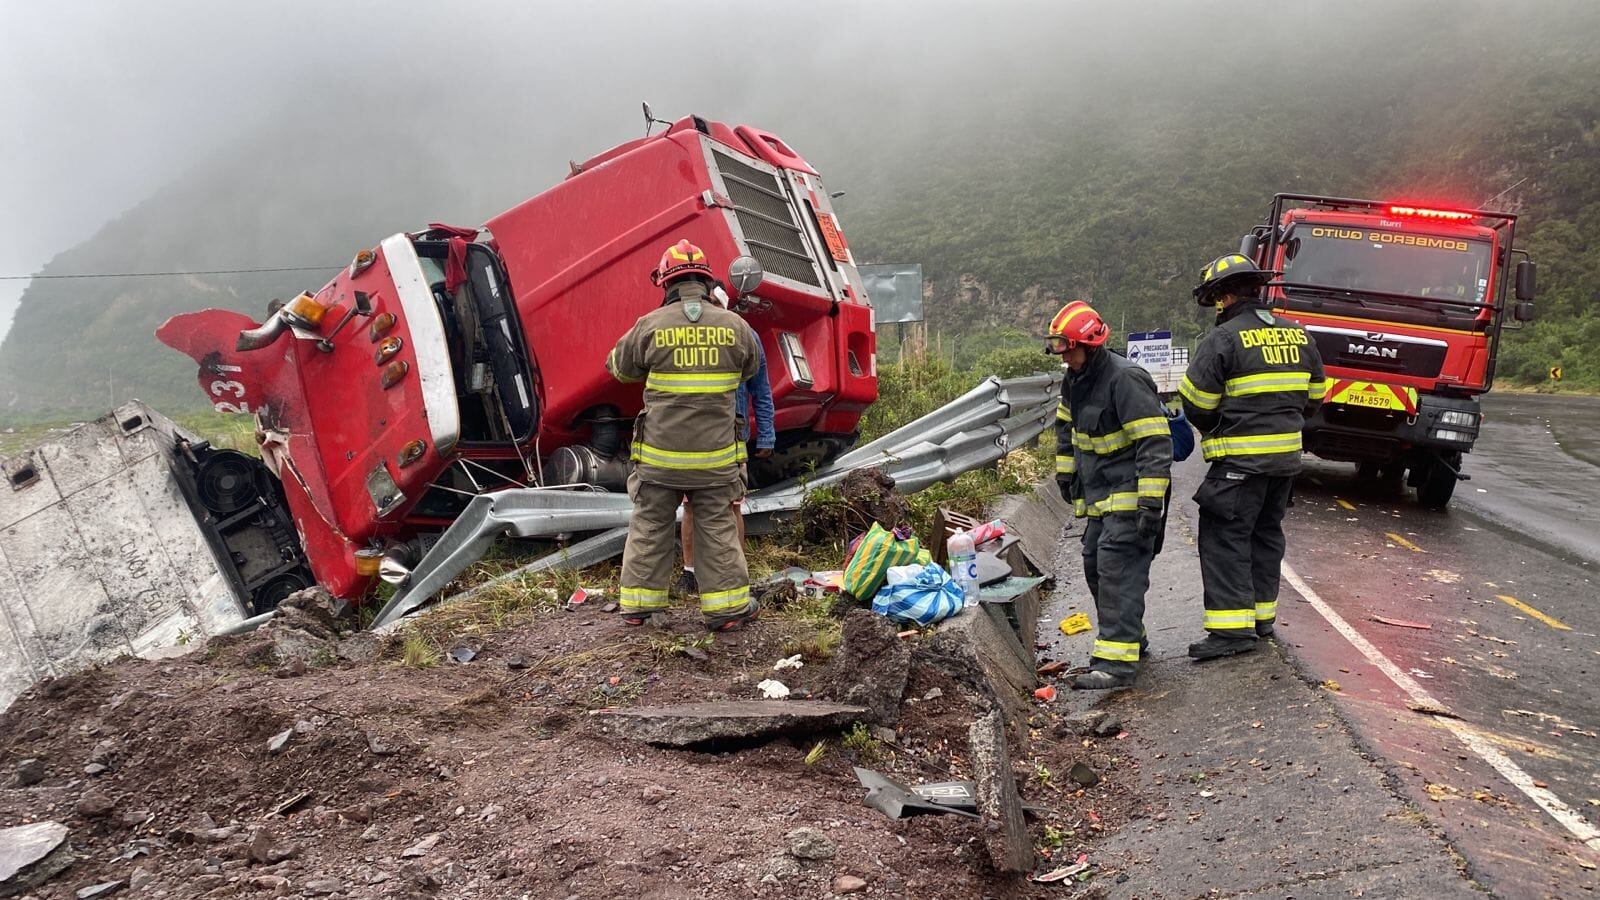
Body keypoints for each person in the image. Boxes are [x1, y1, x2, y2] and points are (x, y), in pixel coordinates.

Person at [607, 239, 762, 631]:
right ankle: (726, 613)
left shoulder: (650, 325)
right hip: (716, 460)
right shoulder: (736, 327)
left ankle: (639, 608)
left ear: (666, 283)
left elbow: (619, 370)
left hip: (660, 459)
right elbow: (750, 369)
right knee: (718, 527)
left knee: (649, 524)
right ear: (708, 282)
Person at [1179, 253, 1327, 660]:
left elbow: (1196, 404)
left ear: (1224, 297)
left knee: (1225, 539)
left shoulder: (1223, 340)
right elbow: (1315, 399)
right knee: (1265, 536)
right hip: (1284, 465)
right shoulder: (1299, 336)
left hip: (1239, 465)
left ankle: (1231, 632)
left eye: (1215, 300)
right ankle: (1261, 621)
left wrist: (1222, 427)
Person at [1050, 300, 1173, 690]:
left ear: (1091, 344)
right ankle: (1131, 639)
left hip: (1132, 497)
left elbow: (1155, 443)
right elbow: (1067, 433)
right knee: (1093, 565)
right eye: (1062, 350)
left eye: (1070, 349)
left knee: (1116, 570)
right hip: (1101, 499)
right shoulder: (1076, 381)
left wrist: (1150, 503)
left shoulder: (1125, 380)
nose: (1065, 357)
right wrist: (1065, 477)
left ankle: (1116, 664)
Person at [677, 299, 776, 596]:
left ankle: (735, 571)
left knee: (731, 505)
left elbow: (761, 388)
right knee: (693, 505)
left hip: (728, 437)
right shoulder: (694, 335)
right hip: (697, 437)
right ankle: (691, 573)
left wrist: (767, 434)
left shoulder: (744, 334)